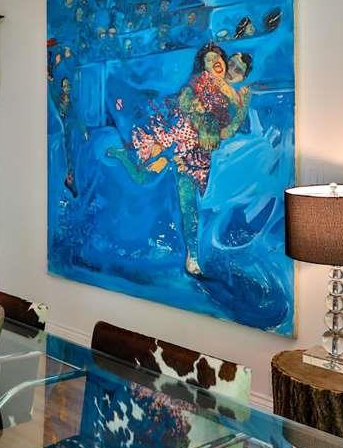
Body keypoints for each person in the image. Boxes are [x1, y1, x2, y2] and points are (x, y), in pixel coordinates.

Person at [106, 43, 253, 275]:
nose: (228, 68)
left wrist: (240, 109)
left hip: (196, 157)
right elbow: (185, 100)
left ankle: (192, 256)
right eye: (229, 62)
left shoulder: (234, 99)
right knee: (144, 176)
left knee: (188, 206)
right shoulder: (203, 81)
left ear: (243, 76)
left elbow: (227, 132)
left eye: (237, 68)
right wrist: (200, 120)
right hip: (173, 137)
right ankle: (124, 155)